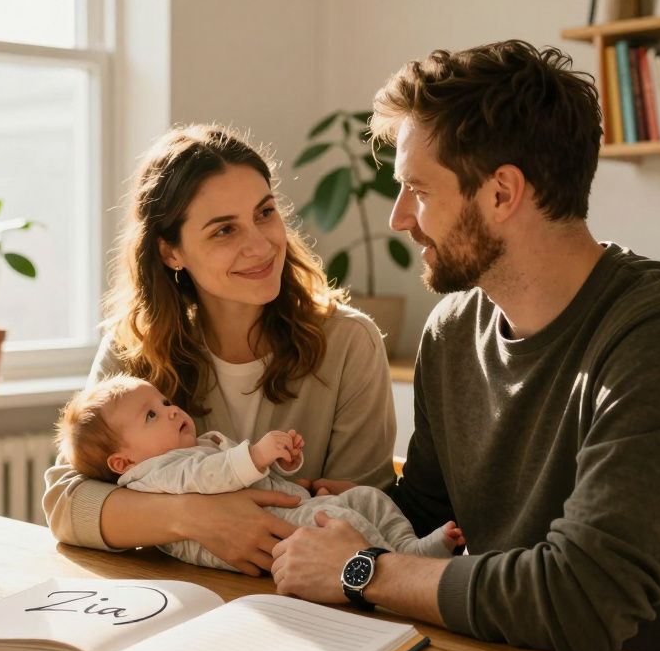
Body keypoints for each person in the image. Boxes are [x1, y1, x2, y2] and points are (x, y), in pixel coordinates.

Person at [271, 40, 660, 651]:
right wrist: (351, 515)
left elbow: (585, 602)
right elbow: (430, 514)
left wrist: (363, 569)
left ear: (502, 192)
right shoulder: (453, 330)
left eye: (417, 188)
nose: (398, 219)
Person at [42, 124, 398, 576]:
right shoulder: (134, 346)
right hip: (182, 599)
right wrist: (196, 518)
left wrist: (146, 511)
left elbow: (365, 513)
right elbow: (67, 503)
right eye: (224, 230)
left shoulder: (350, 343)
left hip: (312, 604)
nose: (260, 244)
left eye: (265, 212)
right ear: (172, 252)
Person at [55, 375, 462, 572]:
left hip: (290, 506)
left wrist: (281, 462)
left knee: (368, 499)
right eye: (151, 415)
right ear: (122, 463)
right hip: (275, 531)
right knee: (346, 522)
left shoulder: (189, 448)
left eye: (164, 401)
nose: (172, 410)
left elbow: (236, 473)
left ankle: (410, 551)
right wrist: (258, 453)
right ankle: (397, 570)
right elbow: (213, 476)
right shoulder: (155, 474)